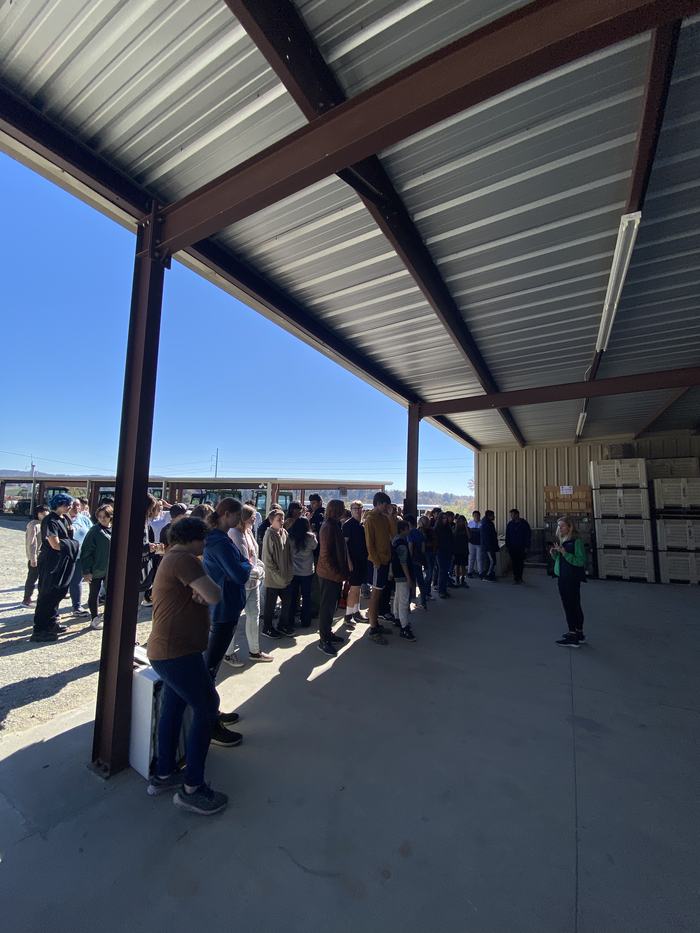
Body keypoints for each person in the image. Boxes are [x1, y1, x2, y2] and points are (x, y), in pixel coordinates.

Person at [146, 517, 229, 815]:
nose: (205, 545)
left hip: (168, 650)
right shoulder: (184, 559)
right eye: (203, 540)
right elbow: (214, 595)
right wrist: (204, 593)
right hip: (178, 652)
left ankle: (165, 773)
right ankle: (192, 788)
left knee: (174, 707)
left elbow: (197, 595)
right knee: (208, 707)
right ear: (195, 538)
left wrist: (199, 595)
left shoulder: (172, 557)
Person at [202, 499, 252, 740]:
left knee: (212, 666)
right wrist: (247, 563)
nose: (239, 521)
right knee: (209, 668)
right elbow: (239, 573)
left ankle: (212, 711)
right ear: (226, 515)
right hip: (223, 611)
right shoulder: (220, 542)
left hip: (226, 608)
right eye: (237, 516)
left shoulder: (219, 539)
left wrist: (243, 563)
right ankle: (208, 722)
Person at [30, 493, 79, 642]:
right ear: (58, 504)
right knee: (47, 593)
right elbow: (55, 544)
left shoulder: (65, 519)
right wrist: (74, 545)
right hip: (51, 562)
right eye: (66, 504)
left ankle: (52, 623)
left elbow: (66, 539)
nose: (69, 506)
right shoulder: (50, 520)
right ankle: (39, 629)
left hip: (63, 560)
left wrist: (70, 544)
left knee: (58, 592)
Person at [227, 504, 270, 662]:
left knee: (254, 616)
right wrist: (257, 571)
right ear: (243, 517)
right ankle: (228, 653)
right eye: (252, 516)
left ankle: (255, 651)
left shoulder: (249, 531)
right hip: (239, 584)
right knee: (233, 619)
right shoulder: (234, 534)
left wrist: (260, 567)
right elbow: (241, 562)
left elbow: (254, 556)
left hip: (253, 583)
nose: (255, 518)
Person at [316, 499, 349, 657]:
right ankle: (323, 640)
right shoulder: (329, 527)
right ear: (336, 510)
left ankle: (328, 633)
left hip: (333, 574)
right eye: (342, 508)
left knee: (331, 607)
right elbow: (325, 556)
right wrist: (337, 574)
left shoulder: (335, 525)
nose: (345, 510)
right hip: (329, 575)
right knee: (326, 608)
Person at [551, 517, 587, 648]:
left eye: (562, 526)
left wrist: (565, 553)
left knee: (570, 605)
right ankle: (578, 633)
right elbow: (561, 561)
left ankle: (573, 634)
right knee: (573, 604)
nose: (560, 529)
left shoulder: (576, 542)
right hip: (563, 576)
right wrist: (555, 554)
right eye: (559, 526)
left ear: (570, 527)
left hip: (570, 578)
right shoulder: (563, 541)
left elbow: (580, 561)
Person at [364, 491, 394, 645]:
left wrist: (389, 516)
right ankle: (373, 628)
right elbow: (369, 543)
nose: (387, 508)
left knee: (379, 594)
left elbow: (393, 533)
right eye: (385, 505)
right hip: (377, 562)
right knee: (375, 596)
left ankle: (375, 622)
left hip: (385, 560)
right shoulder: (370, 519)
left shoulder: (383, 518)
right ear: (379, 503)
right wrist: (375, 560)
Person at [261, 508, 294, 638]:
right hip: (273, 578)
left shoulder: (284, 532)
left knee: (287, 602)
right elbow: (267, 560)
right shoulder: (269, 535)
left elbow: (289, 554)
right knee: (270, 605)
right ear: (271, 521)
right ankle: (267, 628)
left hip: (285, 576)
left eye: (282, 519)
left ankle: (282, 625)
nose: (282, 521)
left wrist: (289, 572)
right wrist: (278, 575)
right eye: (279, 519)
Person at [80, 503, 113, 629]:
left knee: (111, 594)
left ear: (110, 516)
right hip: (96, 568)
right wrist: (87, 571)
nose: (102, 519)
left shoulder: (115, 528)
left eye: (105, 516)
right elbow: (86, 551)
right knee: (94, 594)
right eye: (99, 516)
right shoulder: (94, 531)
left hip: (110, 568)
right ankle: (94, 617)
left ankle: (107, 616)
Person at [288, 516, 317, 629]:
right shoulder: (310, 537)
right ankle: (305, 621)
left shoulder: (290, 537)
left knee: (293, 597)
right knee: (306, 597)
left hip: (294, 571)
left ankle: (290, 619)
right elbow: (315, 547)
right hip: (307, 571)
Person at [342, 500, 368, 627]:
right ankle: (348, 616)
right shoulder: (348, 525)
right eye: (354, 508)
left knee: (358, 590)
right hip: (353, 563)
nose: (357, 510)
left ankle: (356, 612)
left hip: (362, 561)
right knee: (353, 589)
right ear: (351, 510)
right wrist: (349, 562)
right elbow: (344, 545)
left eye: (359, 508)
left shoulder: (361, 525)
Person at [391, 519, 417, 641]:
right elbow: (403, 562)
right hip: (402, 575)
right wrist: (409, 578)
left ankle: (397, 618)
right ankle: (404, 627)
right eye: (407, 528)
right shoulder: (402, 544)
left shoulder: (395, 540)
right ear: (403, 529)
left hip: (396, 574)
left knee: (397, 596)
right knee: (404, 601)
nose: (409, 530)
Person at [67, 499, 92, 618]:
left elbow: (91, 533)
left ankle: (76, 607)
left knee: (76, 582)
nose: (76, 507)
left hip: (80, 556)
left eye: (78, 505)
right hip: (65, 557)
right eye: (73, 505)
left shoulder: (84, 519)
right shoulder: (63, 519)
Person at [21, 505, 48, 607]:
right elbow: (31, 543)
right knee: (32, 579)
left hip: (45, 556)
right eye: (43, 512)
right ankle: (26, 599)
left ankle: (40, 598)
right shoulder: (33, 525)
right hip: (36, 557)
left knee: (43, 579)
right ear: (38, 513)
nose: (45, 514)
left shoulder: (45, 523)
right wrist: (33, 558)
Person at [406, 515, 428, 609]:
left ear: (408, 523)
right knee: (420, 581)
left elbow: (410, 547)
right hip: (419, 560)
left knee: (410, 582)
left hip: (412, 560)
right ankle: (423, 602)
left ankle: (408, 604)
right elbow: (423, 549)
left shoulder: (409, 534)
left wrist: (408, 559)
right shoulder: (420, 533)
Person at [506, 508, 532, 584]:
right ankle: (515, 578)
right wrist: (507, 546)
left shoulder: (524, 524)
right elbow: (507, 536)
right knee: (514, 563)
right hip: (512, 547)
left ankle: (520, 578)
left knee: (520, 563)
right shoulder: (510, 524)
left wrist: (527, 546)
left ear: (517, 514)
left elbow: (528, 535)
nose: (511, 516)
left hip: (521, 547)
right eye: (511, 515)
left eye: (513, 514)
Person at [435, 512, 453, 598]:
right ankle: (441, 591)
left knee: (446, 572)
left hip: (448, 552)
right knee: (442, 571)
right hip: (440, 552)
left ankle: (444, 589)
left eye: (446, 518)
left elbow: (451, 540)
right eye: (443, 518)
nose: (445, 520)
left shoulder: (448, 528)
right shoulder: (437, 528)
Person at [480, 510, 499, 581]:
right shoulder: (486, 524)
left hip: (490, 546)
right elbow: (487, 538)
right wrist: (489, 548)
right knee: (491, 561)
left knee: (490, 561)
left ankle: (489, 574)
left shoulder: (488, 523)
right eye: (492, 515)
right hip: (488, 547)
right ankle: (486, 576)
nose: (494, 517)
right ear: (489, 516)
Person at [452, 514, 470, 587]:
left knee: (463, 565)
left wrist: (466, 527)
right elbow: (453, 536)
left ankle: (463, 579)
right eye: (460, 521)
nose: (461, 522)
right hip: (457, 549)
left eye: (463, 521)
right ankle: (457, 579)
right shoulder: (454, 528)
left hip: (464, 549)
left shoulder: (467, 529)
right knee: (457, 565)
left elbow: (469, 537)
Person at [467, 511, 482, 579]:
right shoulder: (470, 523)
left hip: (479, 543)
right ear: (473, 516)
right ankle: (469, 572)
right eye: (475, 515)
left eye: (477, 515)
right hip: (471, 543)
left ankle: (480, 572)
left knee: (479, 558)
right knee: (471, 558)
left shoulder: (482, 523)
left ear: (479, 516)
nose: (476, 516)